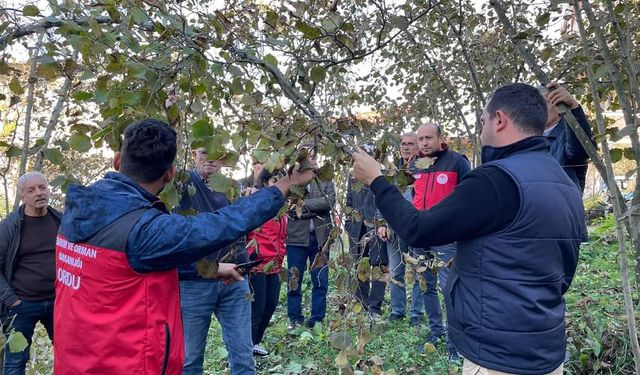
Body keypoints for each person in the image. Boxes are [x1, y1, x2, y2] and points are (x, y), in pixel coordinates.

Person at [352, 83, 586, 375]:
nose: (481, 130)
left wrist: (376, 180)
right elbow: (565, 270)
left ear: (499, 119)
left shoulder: (496, 181)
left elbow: (418, 228)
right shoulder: (564, 181)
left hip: (496, 355)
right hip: (546, 349)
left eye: (483, 121)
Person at [54, 119, 314, 374]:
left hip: (75, 361)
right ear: (169, 174)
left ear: (117, 161)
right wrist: (286, 184)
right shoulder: (142, 229)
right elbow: (221, 225)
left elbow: (126, 267)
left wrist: (210, 269)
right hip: (126, 363)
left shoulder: (76, 213)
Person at [176, 148, 254, 375]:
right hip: (196, 281)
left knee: (243, 356)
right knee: (189, 359)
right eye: (204, 151)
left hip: (234, 279)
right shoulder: (182, 184)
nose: (210, 157)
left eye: (216, 153)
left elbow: (243, 226)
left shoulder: (232, 188)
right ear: (193, 154)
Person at [396, 123, 469, 360]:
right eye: (421, 139)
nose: (424, 143)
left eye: (429, 138)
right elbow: (407, 197)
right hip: (421, 236)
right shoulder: (414, 165)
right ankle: (436, 333)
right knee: (426, 285)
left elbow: (469, 198)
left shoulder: (457, 162)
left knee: (449, 289)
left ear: (440, 138)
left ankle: (454, 343)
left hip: (447, 237)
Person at [0, 172, 59, 375]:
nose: (39, 193)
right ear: (23, 196)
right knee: (15, 362)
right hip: (22, 304)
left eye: (42, 187)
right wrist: (11, 300)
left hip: (57, 302)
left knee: (68, 352)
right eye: (31, 190)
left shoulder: (60, 221)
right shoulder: (10, 227)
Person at [286, 145, 336, 329]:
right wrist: (315, 208)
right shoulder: (290, 178)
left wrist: (303, 206)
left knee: (320, 279)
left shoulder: (325, 178)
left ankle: (317, 319)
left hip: (321, 238)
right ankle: (294, 318)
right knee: (294, 279)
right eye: (306, 155)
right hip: (296, 238)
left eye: (313, 154)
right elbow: (290, 208)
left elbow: (329, 202)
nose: (310, 158)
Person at [378, 132, 422, 323]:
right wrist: (381, 223)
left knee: (419, 271)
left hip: (420, 228)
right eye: (403, 143)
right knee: (396, 271)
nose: (405, 147)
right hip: (394, 229)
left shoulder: (425, 169)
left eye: (410, 144)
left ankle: (416, 314)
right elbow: (383, 198)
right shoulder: (392, 171)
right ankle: (397, 311)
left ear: (418, 147)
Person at [246, 169, 288, 357]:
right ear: (264, 182)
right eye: (273, 180)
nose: (277, 183)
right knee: (256, 309)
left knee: (270, 306)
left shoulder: (282, 206)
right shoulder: (256, 203)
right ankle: (243, 352)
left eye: (281, 179)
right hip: (257, 264)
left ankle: (254, 343)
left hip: (275, 264)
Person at [345, 153, 388, 318]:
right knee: (359, 265)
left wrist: (382, 223)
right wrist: (349, 224)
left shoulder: (381, 175)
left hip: (377, 227)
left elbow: (386, 201)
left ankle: (374, 307)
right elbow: (349, 202)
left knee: (379, 265)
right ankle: (361, 304)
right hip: (357, 229)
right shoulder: (353, 177)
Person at [540, 82, 595, 193]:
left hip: (560, 207)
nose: (539, 109)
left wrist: (574, 107)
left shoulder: (567, 135)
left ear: (557, 105)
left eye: (544, 103)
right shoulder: (527, 139)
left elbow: (580, 151)